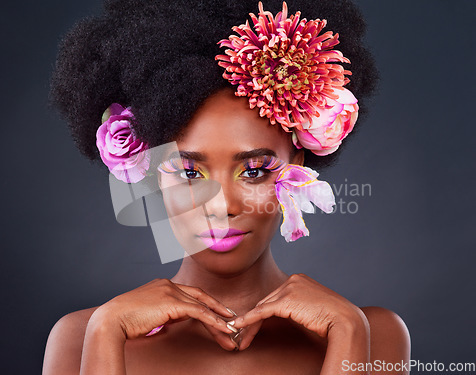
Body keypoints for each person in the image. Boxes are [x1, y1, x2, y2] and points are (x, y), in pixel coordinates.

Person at [43, 0, 410, 374]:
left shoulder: (372, 333)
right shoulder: (83, 336)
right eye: (189, 173)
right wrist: (106, 334)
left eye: (253, 171)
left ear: (296, 167)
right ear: (151, 172)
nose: (221, 206)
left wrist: (348, 335)